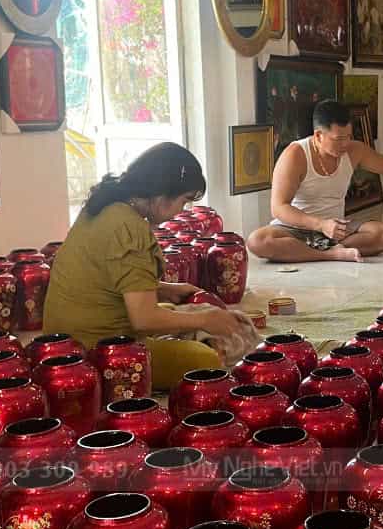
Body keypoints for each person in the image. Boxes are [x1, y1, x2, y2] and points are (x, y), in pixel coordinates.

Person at [43, 143, 253, 390]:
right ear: (163, 194)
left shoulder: (105, 205)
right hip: (96, 352)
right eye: (184, 201)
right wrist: (205, 319)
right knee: (206, 360)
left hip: (58, 344)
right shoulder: (130, 228)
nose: (181, 211)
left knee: (172, 308)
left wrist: (163, 288)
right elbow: (143, 319)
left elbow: (104, 276)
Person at [247, 99, 383, 263]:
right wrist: (321, 224)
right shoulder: (295, 155)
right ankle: (332, 254)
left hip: (336, 228)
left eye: (348, 137)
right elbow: (279, 207)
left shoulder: (354, 150)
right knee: (257, 241)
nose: (345, 144)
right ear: (318, 135)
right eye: (339, 139)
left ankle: (313, 251)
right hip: (296, 228)